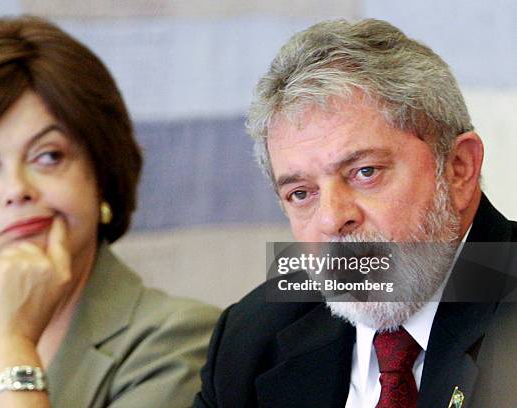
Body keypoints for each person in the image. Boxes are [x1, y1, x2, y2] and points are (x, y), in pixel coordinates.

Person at [194, 19, 517, 407]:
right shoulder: (250, 341)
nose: (332, 219)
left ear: (458, 168)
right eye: (301, 193)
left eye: (365, 172)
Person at [0, 16, 219, 407]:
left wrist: (9, 344)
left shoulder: (185, 345)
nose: (17, 190)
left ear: (101, 172)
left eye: (48, 156)